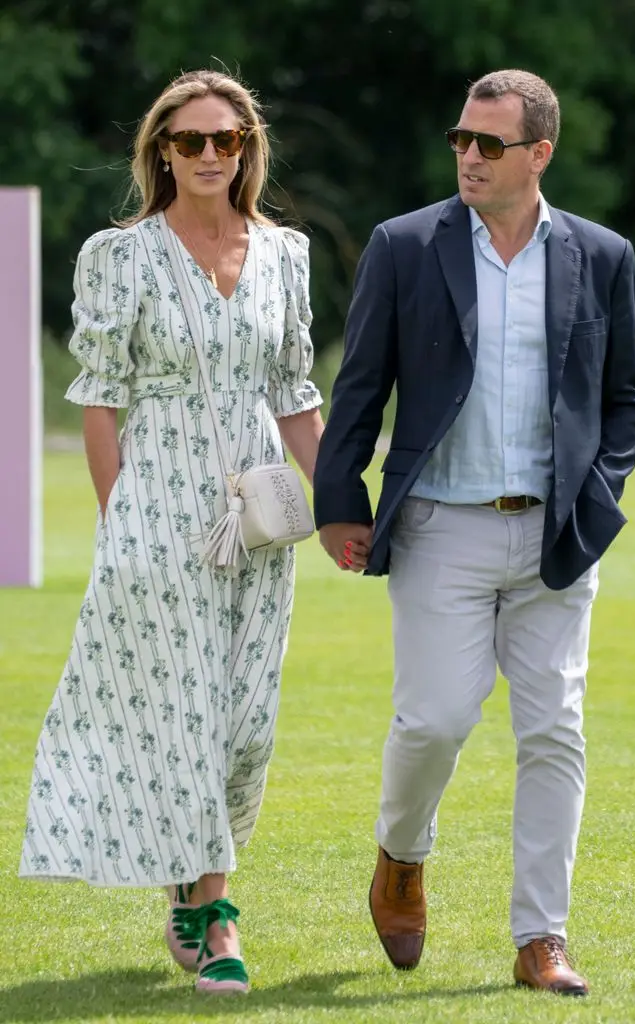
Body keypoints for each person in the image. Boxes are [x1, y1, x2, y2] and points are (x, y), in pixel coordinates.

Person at [313, 69, 635, 996]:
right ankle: (401, 859)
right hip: (437, 530)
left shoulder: (603, 255)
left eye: (488, 144)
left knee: (555, 733)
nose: (467, 155)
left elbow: (625, 403)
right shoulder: (404, 244)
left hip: (555, 537)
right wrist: (339, 499)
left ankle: (541, 936)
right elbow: (360, 383)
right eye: (461, 138)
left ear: (537, 154)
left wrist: (596, 499)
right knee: (434, 721)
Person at [20, 68, 324, 995]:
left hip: (259, 516)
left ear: (246, 150)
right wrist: (119, 523)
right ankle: (212, 912)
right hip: (157, 509)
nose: (205, 155)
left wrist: (345, 505)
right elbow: (99, 401)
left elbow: (297, 393)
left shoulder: (286, 253)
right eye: (187, 140)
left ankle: (190, 888)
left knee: (241, 724)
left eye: (223, 140)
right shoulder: (118, 255)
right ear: (159, 150)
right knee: (180, 716)